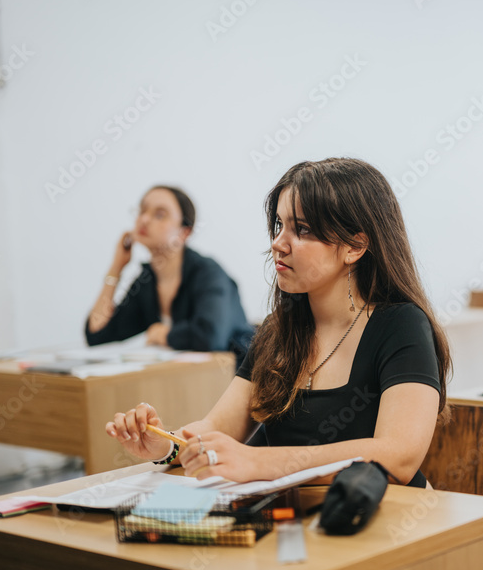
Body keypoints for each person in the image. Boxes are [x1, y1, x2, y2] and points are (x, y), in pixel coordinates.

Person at [105, 159, 451, 487]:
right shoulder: (278, 330)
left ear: (355, 247)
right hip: (300, 523)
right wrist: (166, 446)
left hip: (385, 523)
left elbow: (399, 456)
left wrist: (261, 463)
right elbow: (215, 429)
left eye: (301, 230)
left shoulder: (401, 325)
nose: (277, 243)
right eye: (279, 225)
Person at [85, 185, 253, 363]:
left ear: (184, 232)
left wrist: (164, 334)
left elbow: (210, 337)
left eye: (159, 214)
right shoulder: (147, 280)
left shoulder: (208, 272)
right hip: (183, 382)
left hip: (233, 381)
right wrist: (116, 268)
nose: (144, 219)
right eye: (142, 211)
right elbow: (97, 335)